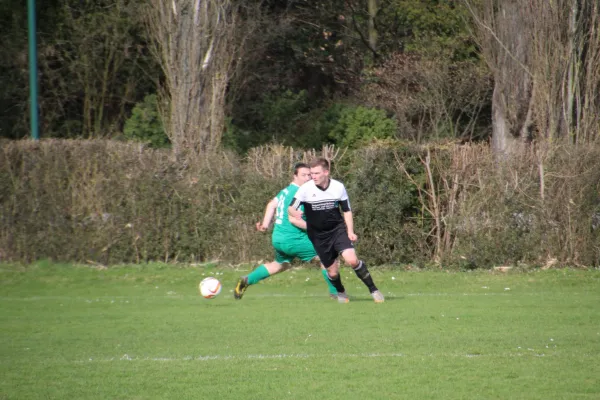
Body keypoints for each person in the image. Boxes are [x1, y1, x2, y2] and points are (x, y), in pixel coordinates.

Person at [234, 163, 338, 300]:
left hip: (278, 238)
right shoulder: (300, 194)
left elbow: (271, 205)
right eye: (304, 175)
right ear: (295, 176)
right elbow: (295, 221)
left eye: (309, 175)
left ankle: (247, 279)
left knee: (280, 265)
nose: (308, 178)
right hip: (293, 239)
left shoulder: (285, 191)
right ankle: (336, 293)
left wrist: (265, 225)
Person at [288, 157, 384, 303]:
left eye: (316, 173)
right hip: (318, 235)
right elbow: (290, 207)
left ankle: (374, 290)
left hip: (337, 230)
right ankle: (341, 292)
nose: (313, 176)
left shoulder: (338, 187)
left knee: (352, 260)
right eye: (311, 173)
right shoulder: (305, 189)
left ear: (326, 172)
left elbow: (347, 210)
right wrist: (294, 213)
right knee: (332, 273)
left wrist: (350, 231)